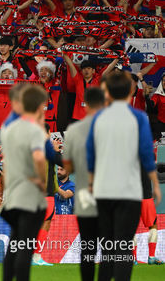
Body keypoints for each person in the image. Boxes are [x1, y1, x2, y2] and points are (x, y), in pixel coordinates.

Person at [87, 71, 162, 280]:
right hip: (131, 189)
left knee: (110, 243)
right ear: (131, 91)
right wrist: (155, 183)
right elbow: (147, 154)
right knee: (124, 242)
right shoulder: (138, 117)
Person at [0, 85, 49, 281]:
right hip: (29, 195)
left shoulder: (7, 128)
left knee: (15, 244)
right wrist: (41, 180)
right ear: (38, 106)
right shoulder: (35, 130)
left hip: (11, 195)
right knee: (26, 248)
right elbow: (38, 156)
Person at [63, 87, 105, 281]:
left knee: (88, 245)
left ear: (85, 104)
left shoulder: (74, 131)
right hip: (109, 194)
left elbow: (68, 168)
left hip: (85, 195)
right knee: (110, 245)